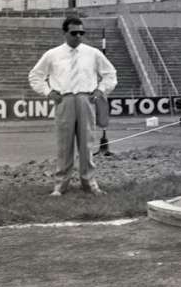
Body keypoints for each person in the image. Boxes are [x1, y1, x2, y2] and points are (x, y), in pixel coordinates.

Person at [29, 16, 117, 197]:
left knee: (87, 143)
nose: (78, 36)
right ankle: (60, 185)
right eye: (74, 33)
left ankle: (89, 182)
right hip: (65, 99)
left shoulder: (93, 53)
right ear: (65, 33)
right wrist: (48, 92)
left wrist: (100, 90)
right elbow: (35, 76)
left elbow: (110, 74)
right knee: (64, 144)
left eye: (81, 33)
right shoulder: (52, 54)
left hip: (86, 99)